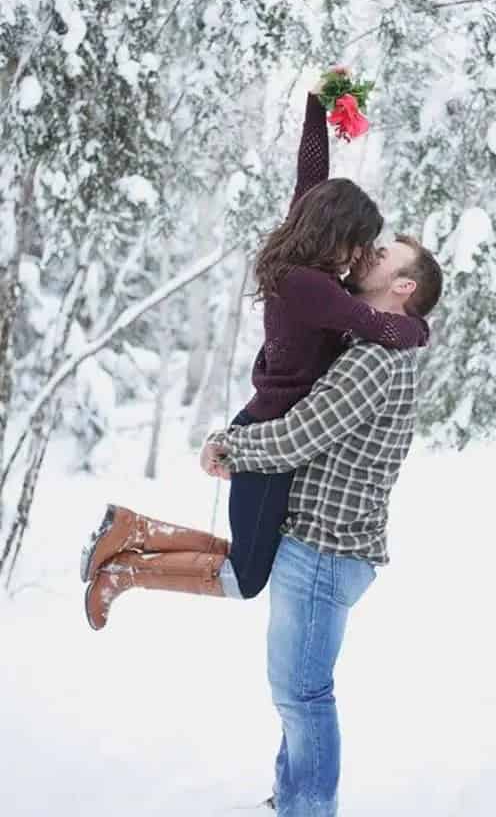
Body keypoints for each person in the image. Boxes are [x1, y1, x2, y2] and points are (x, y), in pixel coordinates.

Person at [82, 68, 429, 629]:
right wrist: (419, 329)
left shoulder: (302, 264)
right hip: (266, 437)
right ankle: (124, 568)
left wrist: (317, 104)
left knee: (246, 561)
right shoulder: (313, 287)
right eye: (359, 240)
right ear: (334, 232)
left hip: (262, 431)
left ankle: (130, 536)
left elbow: (310, 171)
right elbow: (378, 326)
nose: (363, 252)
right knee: (245, 577)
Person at [201, 233, 443, 817]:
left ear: (403, 287)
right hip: (327, 549)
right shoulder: (374, 348)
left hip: (324, 553)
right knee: (299, 693)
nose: (367, 256)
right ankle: (292, 797)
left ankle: (307, 809)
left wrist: (228, 446)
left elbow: (298, 437)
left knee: (302, 694)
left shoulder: (372, 361)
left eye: (382, 256)